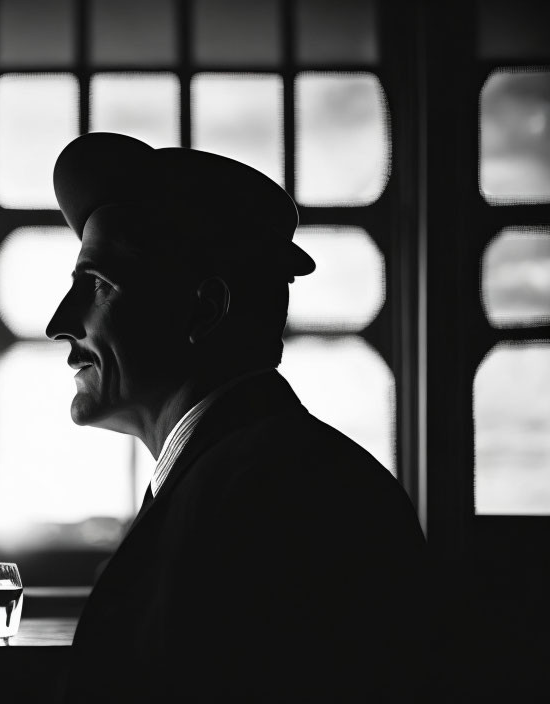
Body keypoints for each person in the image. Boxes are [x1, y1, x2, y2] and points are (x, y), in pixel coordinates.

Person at [45, 132, 430, 703]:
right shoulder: (263, 478)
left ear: (204, 308)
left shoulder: (282, 501)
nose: (60, 322)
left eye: (97, 285)